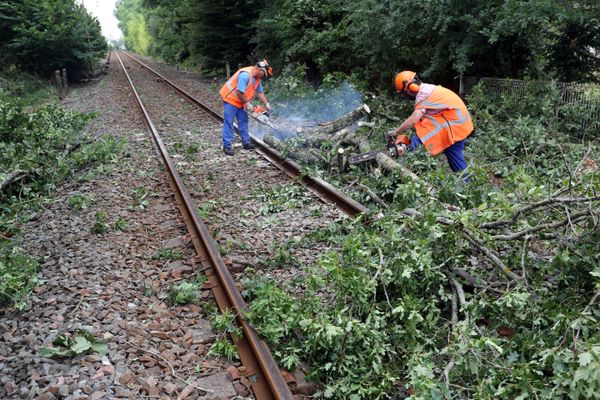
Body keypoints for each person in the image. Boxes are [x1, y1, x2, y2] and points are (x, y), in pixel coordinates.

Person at [390, 71, 473, 178]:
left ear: (411, 87)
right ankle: (466, 184)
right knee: (455, 157)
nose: (406, 96)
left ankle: (411, 168)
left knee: (418, 140)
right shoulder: (428, 89)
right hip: (460, 126)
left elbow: (413, 120)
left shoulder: (423, 95)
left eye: (404, 92)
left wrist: (396, 131)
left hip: (454, 125)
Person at [219, 59, 273, 156]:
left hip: (241, 101)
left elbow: (259, 92)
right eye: (263, 74)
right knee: (229, 122)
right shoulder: (245, 75)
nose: (263, 77)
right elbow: (239, 92)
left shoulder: (257, 79)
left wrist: (266, 103)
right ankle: (227, 146)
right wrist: (248, 103)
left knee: (243, 121)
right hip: (231, 99)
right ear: (259, 70)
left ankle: (246, 143)